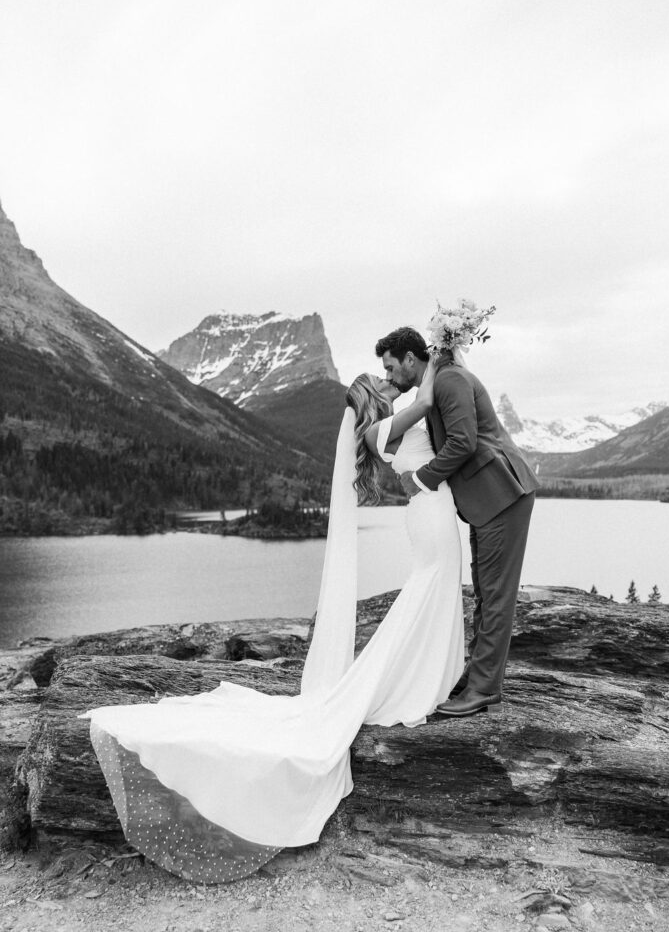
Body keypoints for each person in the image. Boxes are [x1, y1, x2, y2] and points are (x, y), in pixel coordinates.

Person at [81, 355, 465, 883]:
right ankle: (414, 679)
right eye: (380, 381)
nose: (386, 380)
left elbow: (426, 407)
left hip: (430, 511)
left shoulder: (386, 423)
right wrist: (446, 350)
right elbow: (424, 400)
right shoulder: (379, 429)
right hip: (429, 512)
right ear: (370, 405)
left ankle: (424, 673)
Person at [375, 326, 539, 718]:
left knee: (496, 595)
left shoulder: (449, 380)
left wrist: (420, 479)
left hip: (503, 493)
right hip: (488, 500)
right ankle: (476, 675)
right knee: (486, 591)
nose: (388, 376)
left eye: (390, 367)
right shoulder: (439, 381)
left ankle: (483, 689)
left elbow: (463, 442)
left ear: (411, 360)